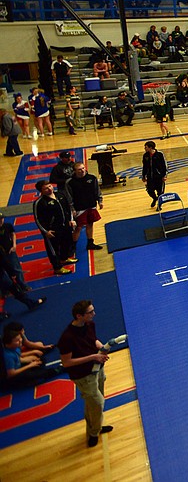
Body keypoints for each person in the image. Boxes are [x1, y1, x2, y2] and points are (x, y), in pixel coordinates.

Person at [58, 300, 114, 447]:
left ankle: (94, 428)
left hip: (97, 368)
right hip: (83, 375)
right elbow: (67, 362)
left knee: (93, 403)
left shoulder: (90, 325)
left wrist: (101, 347)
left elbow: (92, 340)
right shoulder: (67, 338)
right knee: (97, 403)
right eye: (90, 312)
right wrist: (93, 357)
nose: (94, 314)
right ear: (79, 316)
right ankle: (94, 432)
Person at [34, 179, 75, 275]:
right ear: (41, 191)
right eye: (45, 188)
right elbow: (38, 219)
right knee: (53, 250)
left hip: (65, 226)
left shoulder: (60, 195)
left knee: (67, 243)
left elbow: (68, 209)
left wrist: (71, 220)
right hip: (52, 231)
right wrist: (45, 231)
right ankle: (57, 267)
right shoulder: (40, 203)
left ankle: (64, 259)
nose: (49, 189)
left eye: (50, 186)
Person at [3, 323, 59, 389]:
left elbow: (19, 355)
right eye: (17, 341)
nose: (20, 340)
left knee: (39, 359)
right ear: (9, 343)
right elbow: (10, 374)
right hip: (12, 377)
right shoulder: (8, 356)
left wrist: (31, 356)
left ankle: (34, 373)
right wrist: (30, 365)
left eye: (20, 338)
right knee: (36, 373)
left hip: (18, 364)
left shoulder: (16, 347)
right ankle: (56, 370)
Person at [67, 163, 104, 251]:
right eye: (79, 169)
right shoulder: (70, 182)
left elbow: (97, 190)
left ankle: (90, 243)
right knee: (78, 227)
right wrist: (72, 209)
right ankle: (73, 246)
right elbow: (69, 197)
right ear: (75, 171)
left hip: (91, 205)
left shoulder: (92, 178)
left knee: (90, 224)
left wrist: (100, 201)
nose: (82, 170)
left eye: (83, 168)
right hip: (79, 208)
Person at [141, 141, 168, 208]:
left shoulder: (159, 154)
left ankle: (159, 205)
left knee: (160, 192)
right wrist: (143, 176)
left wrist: (164, 175)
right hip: (150, 177)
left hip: (159, 177)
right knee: (149, 190)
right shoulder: (145, 156)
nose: (145, 148)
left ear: (150, 147)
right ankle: (154, 198)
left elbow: (164, 166)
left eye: (146, 147)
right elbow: (144, 166)